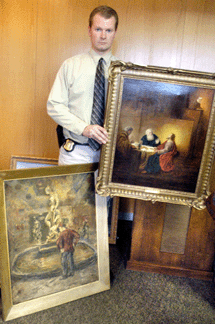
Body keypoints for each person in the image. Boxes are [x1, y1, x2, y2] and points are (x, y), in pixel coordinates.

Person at [47, 6, 119, 165]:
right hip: (75, 154)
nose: (102, 36)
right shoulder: (70, 66)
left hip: (112, 158)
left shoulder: (124, 72)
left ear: (115, 32)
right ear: (89, 30)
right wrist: (84, 128)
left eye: (108, 30)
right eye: (98, 29)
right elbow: (54, 106)